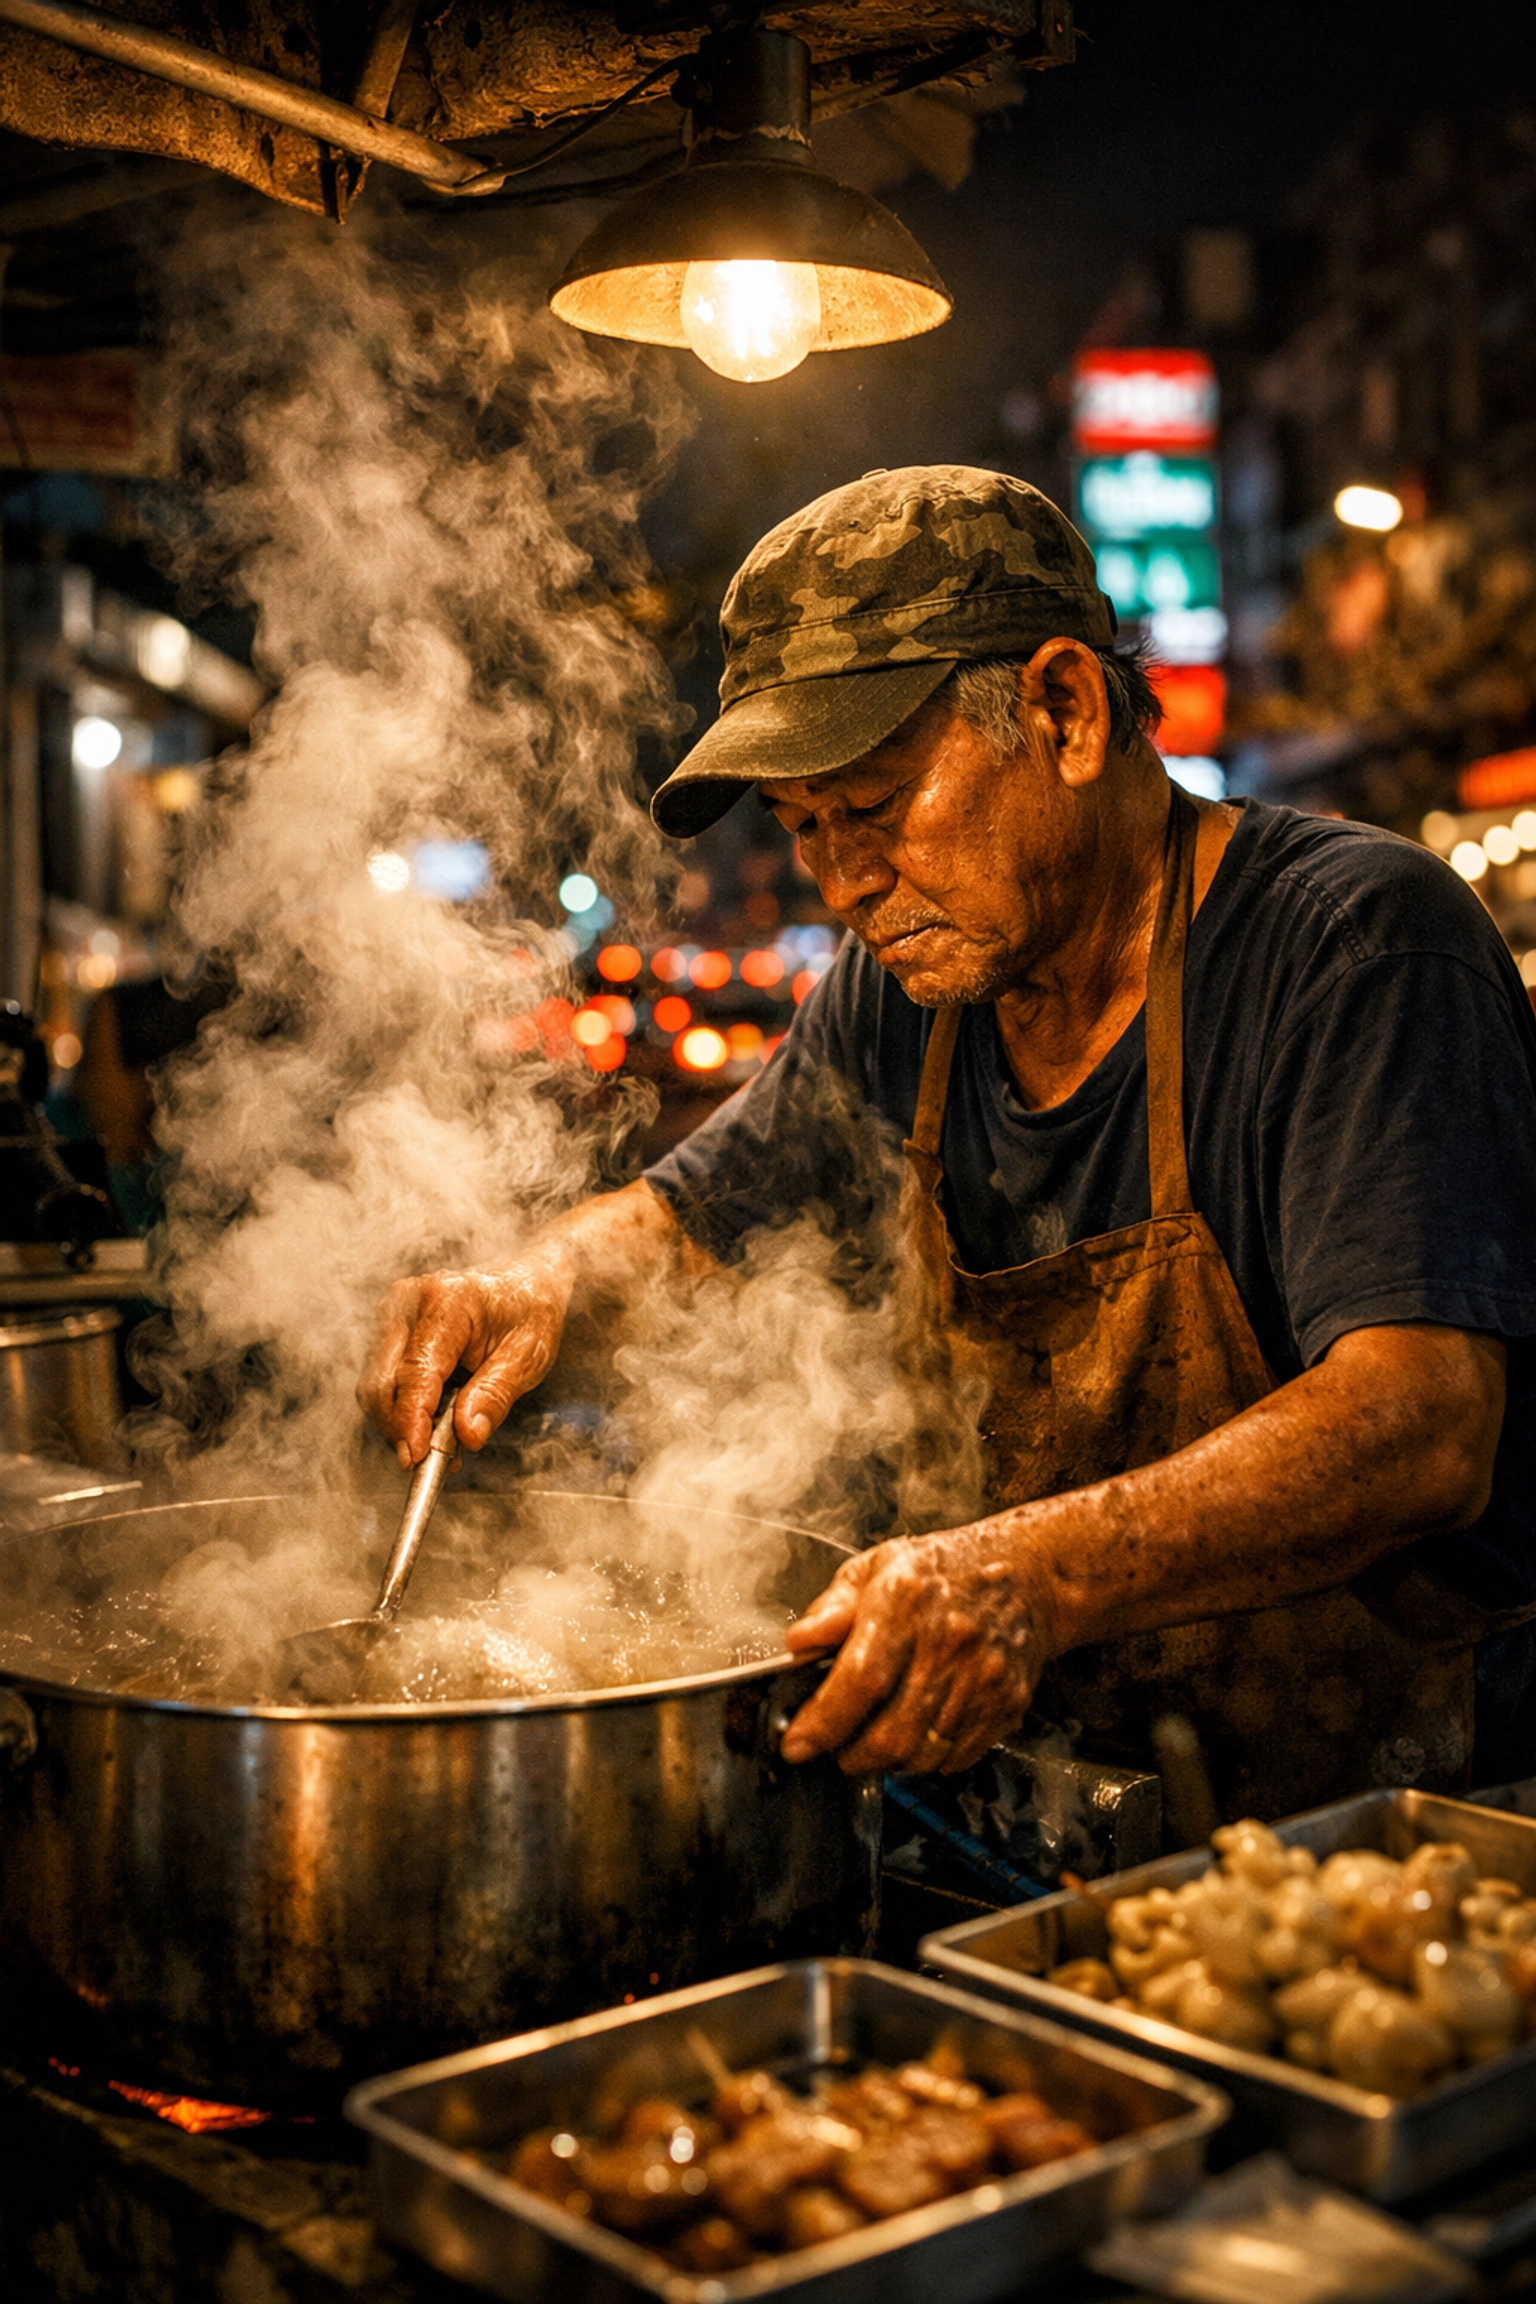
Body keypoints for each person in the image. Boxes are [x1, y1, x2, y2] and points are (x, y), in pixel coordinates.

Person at [359, 466, 1536, 1818]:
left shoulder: (1354, 945)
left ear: (1066, 711)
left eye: (874, 805)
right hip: (1071, 1813)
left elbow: (1422, 1422)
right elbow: (685, 1222)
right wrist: (532, 1286)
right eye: (804, 829)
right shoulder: (903, 993)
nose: (844, 882)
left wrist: (1028, 1575)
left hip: (1396, 1838)